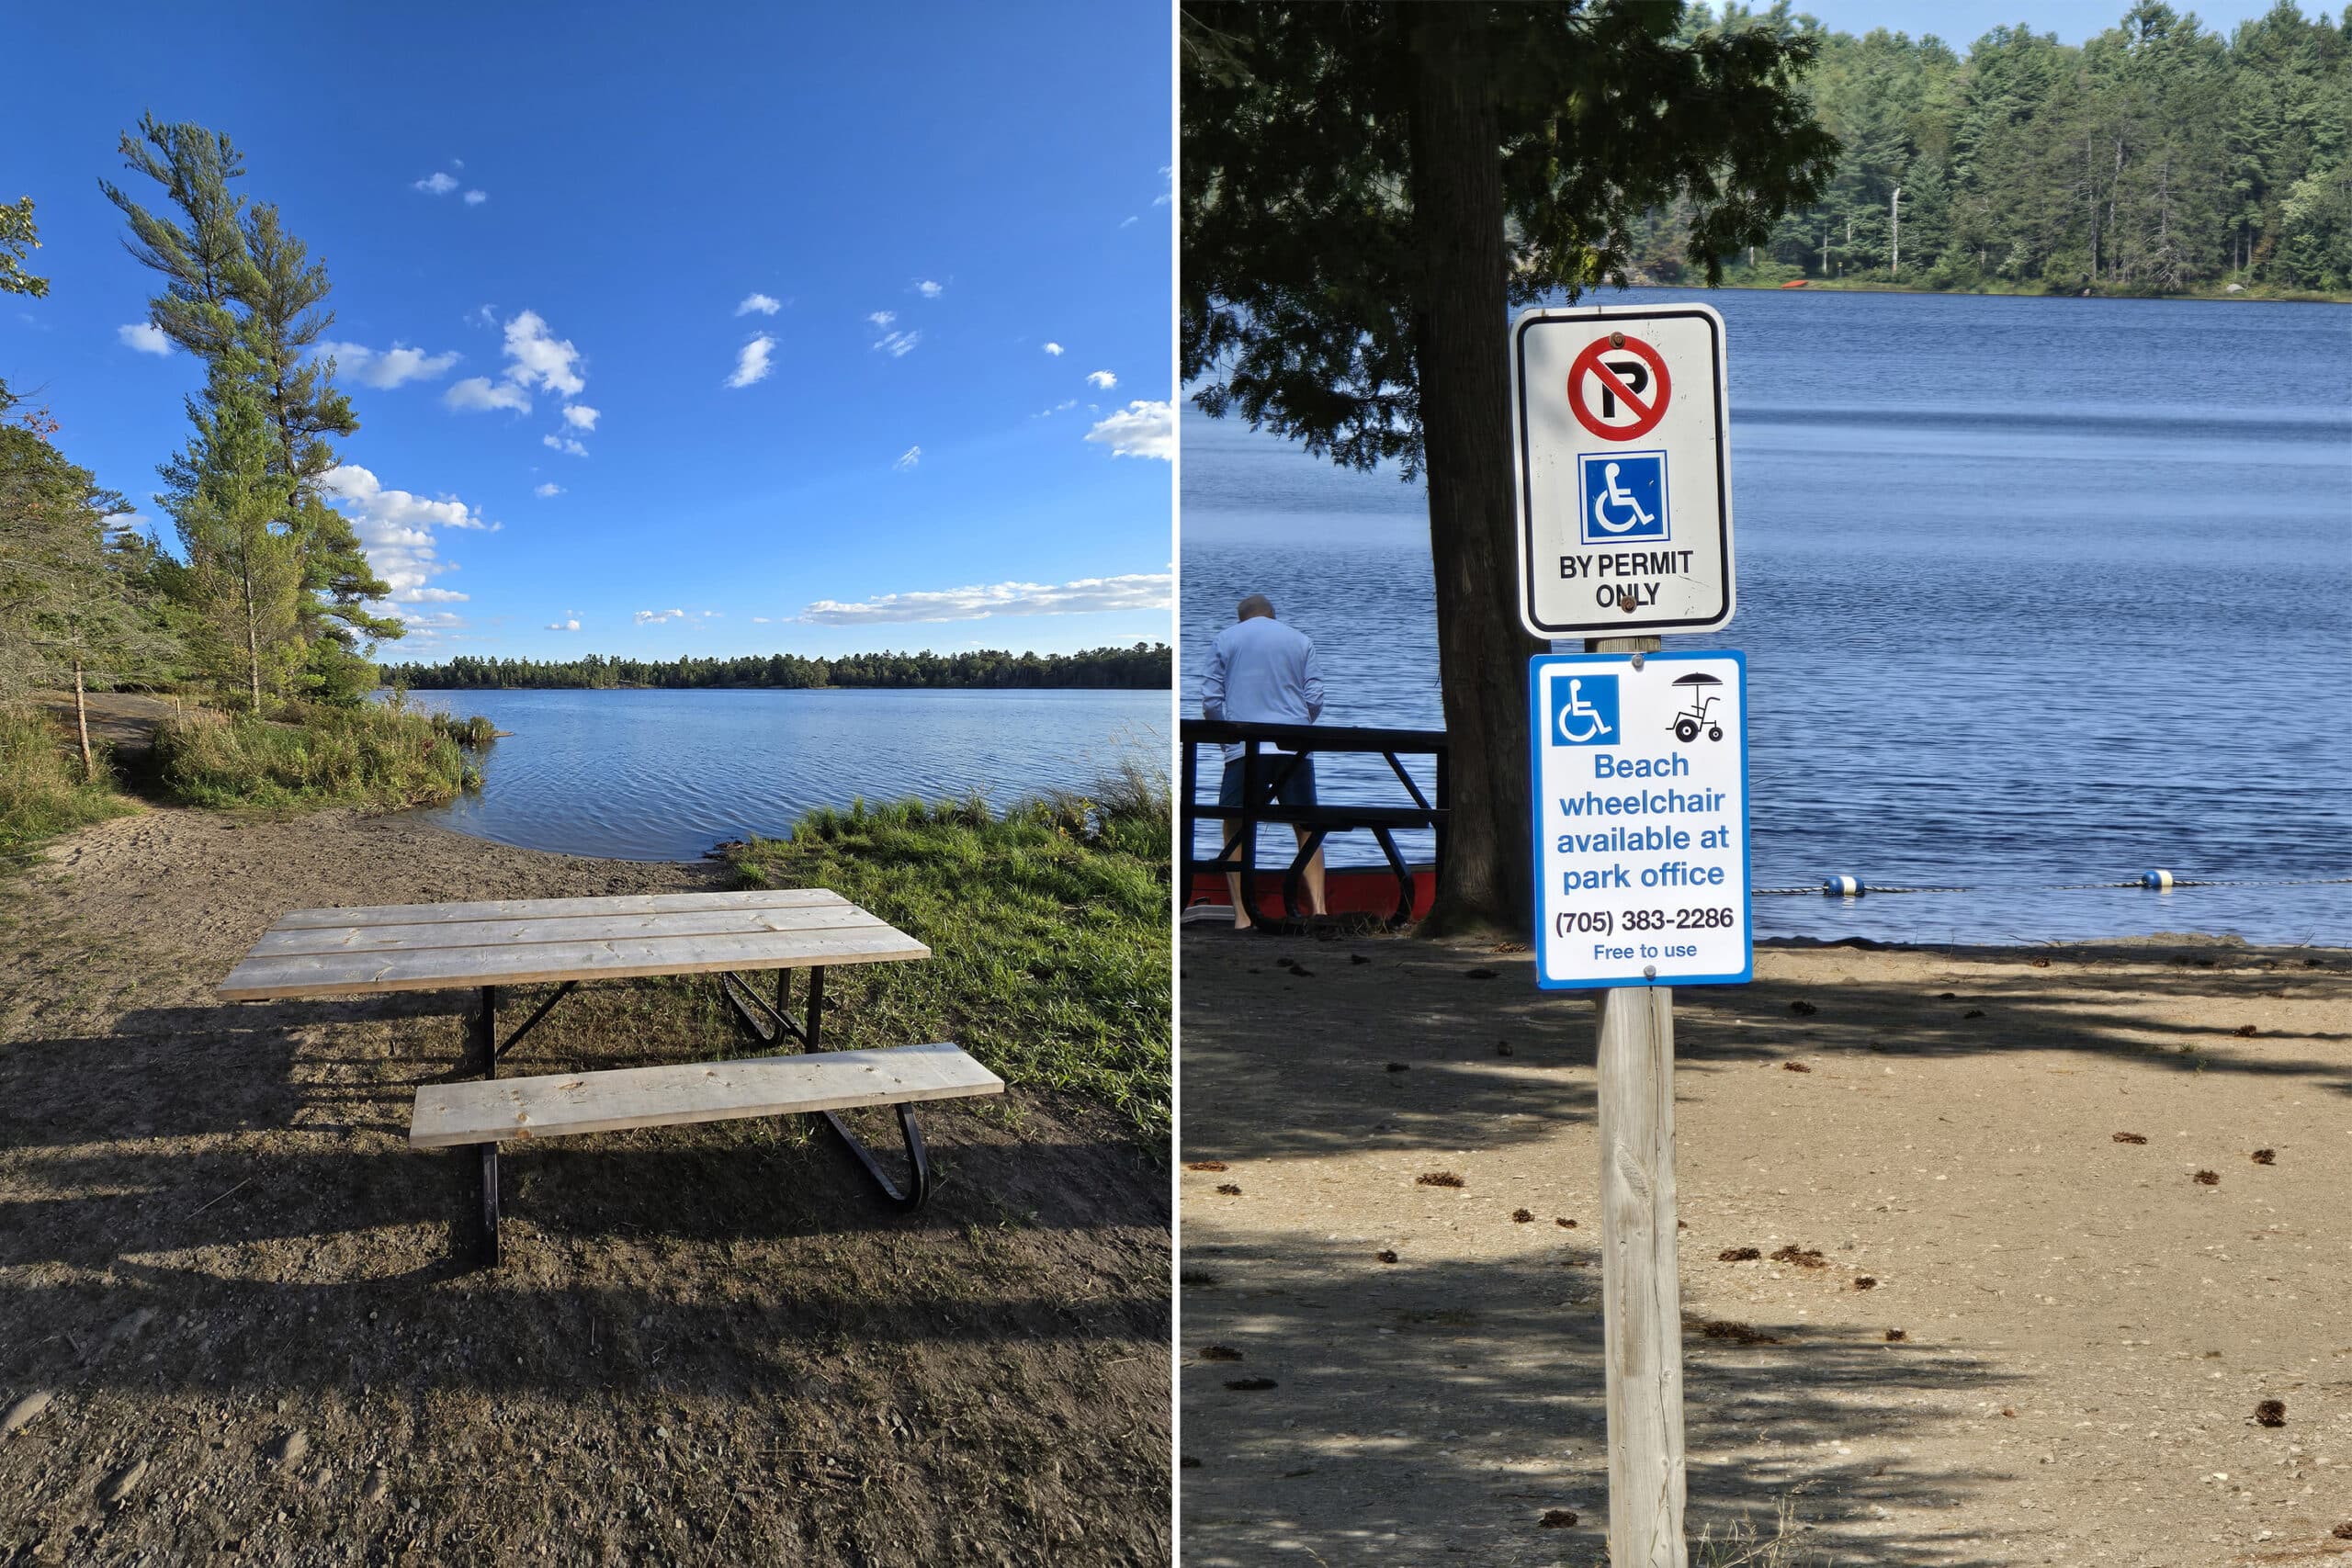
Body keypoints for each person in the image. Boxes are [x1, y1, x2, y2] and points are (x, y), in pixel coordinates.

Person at [1200, 593, 1327, 929]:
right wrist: (1300, 725)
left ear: (1242, 618)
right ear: (1273, 615)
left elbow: (1212, 700)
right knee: (1307, 827)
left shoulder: (1225, 639)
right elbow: (1314, 697)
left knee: (1235, 825)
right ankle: (1320, 910)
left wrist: (1224, 736)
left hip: (1244, 751)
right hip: (1293, 749)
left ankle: (1242, 916)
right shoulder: (1300, 640)